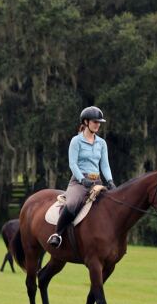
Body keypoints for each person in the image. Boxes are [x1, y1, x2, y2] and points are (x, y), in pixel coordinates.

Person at [47, 106, 116, 248]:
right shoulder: (76, 141)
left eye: (99, 122)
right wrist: (82, 179)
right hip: (79, 182)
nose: (98, 125)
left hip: (97, 181)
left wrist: (109, 181)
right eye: (95, 122)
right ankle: (57, 234)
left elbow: (105, 165)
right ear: (86, 122)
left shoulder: (101, 143)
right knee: (72, 204)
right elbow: (73, 164)